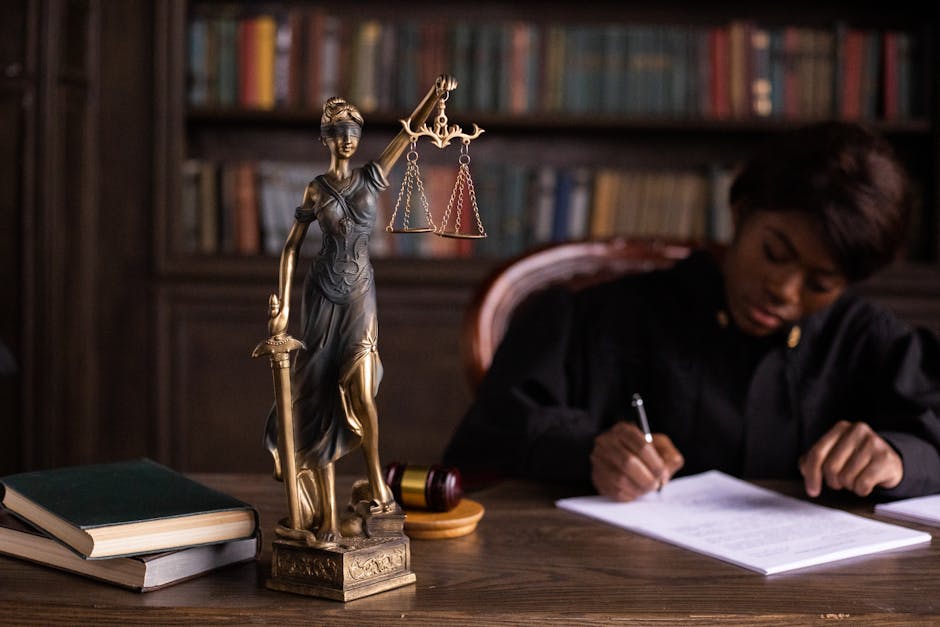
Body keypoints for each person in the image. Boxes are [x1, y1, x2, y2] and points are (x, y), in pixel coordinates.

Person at [443, 120, 940, 502]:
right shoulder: (595, 317)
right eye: (775, 253)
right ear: (741, 213)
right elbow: (484, 442)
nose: (783, 291)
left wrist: (898, 457)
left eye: (820, 283)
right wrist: (589, 450)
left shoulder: (869, 341)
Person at [263, 76, 456, 542]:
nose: (347, 138)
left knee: (363, 391)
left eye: (353, 131)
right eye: (338, 132)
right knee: (321, 398)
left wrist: (436, 94)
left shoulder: (373, 174)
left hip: (360, 297)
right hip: (320, 299)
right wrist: (282, 307)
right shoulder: (315, 189)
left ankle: (376, 484)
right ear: (325, 138)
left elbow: (410, 131)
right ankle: (327, 514)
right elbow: (291, 248)